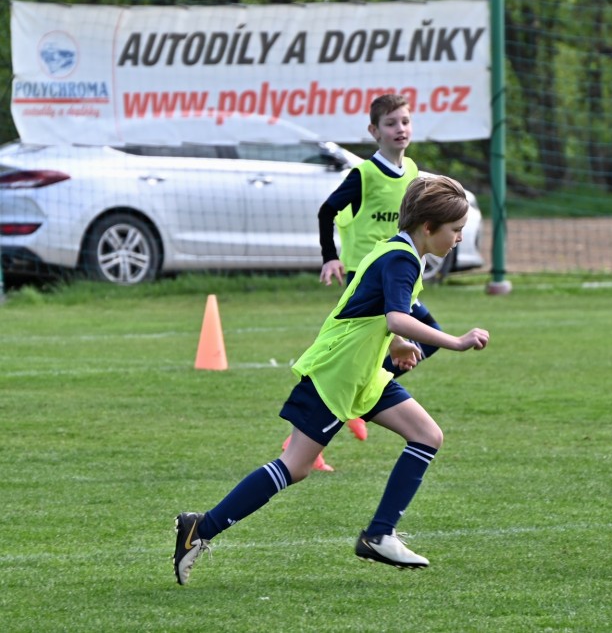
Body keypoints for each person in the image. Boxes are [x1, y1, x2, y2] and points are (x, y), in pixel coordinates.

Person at [173, 175, 490, 586]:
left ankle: (379, 535)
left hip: (364, 373)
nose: (459, 238)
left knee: (427, 436)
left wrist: (396, 343)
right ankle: (201, 528)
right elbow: (396, 316)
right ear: (429, 227)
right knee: (295, 466)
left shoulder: (401, 253)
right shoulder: (402, 259)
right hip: (338, 372)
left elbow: (372, 308)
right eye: (456, 230)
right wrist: (456, 342)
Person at [298, 94, 442, 470]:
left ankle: (362, 396)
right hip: (368, 279)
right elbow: (327, 211)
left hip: (398, 278)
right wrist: (330, 256)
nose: (400, 129)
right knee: (422, 336)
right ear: (374, 131)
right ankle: (351, 405)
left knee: (425, 338)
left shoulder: (412, 171)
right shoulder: (364, 175)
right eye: (391, 123)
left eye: (405, 121)